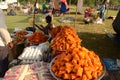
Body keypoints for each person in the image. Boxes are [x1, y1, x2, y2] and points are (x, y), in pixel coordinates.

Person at [0, 9, 12, 77]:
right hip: (1, 43)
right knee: (3, 62)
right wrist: (9, 41)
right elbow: (2, 29)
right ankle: (3, 76)